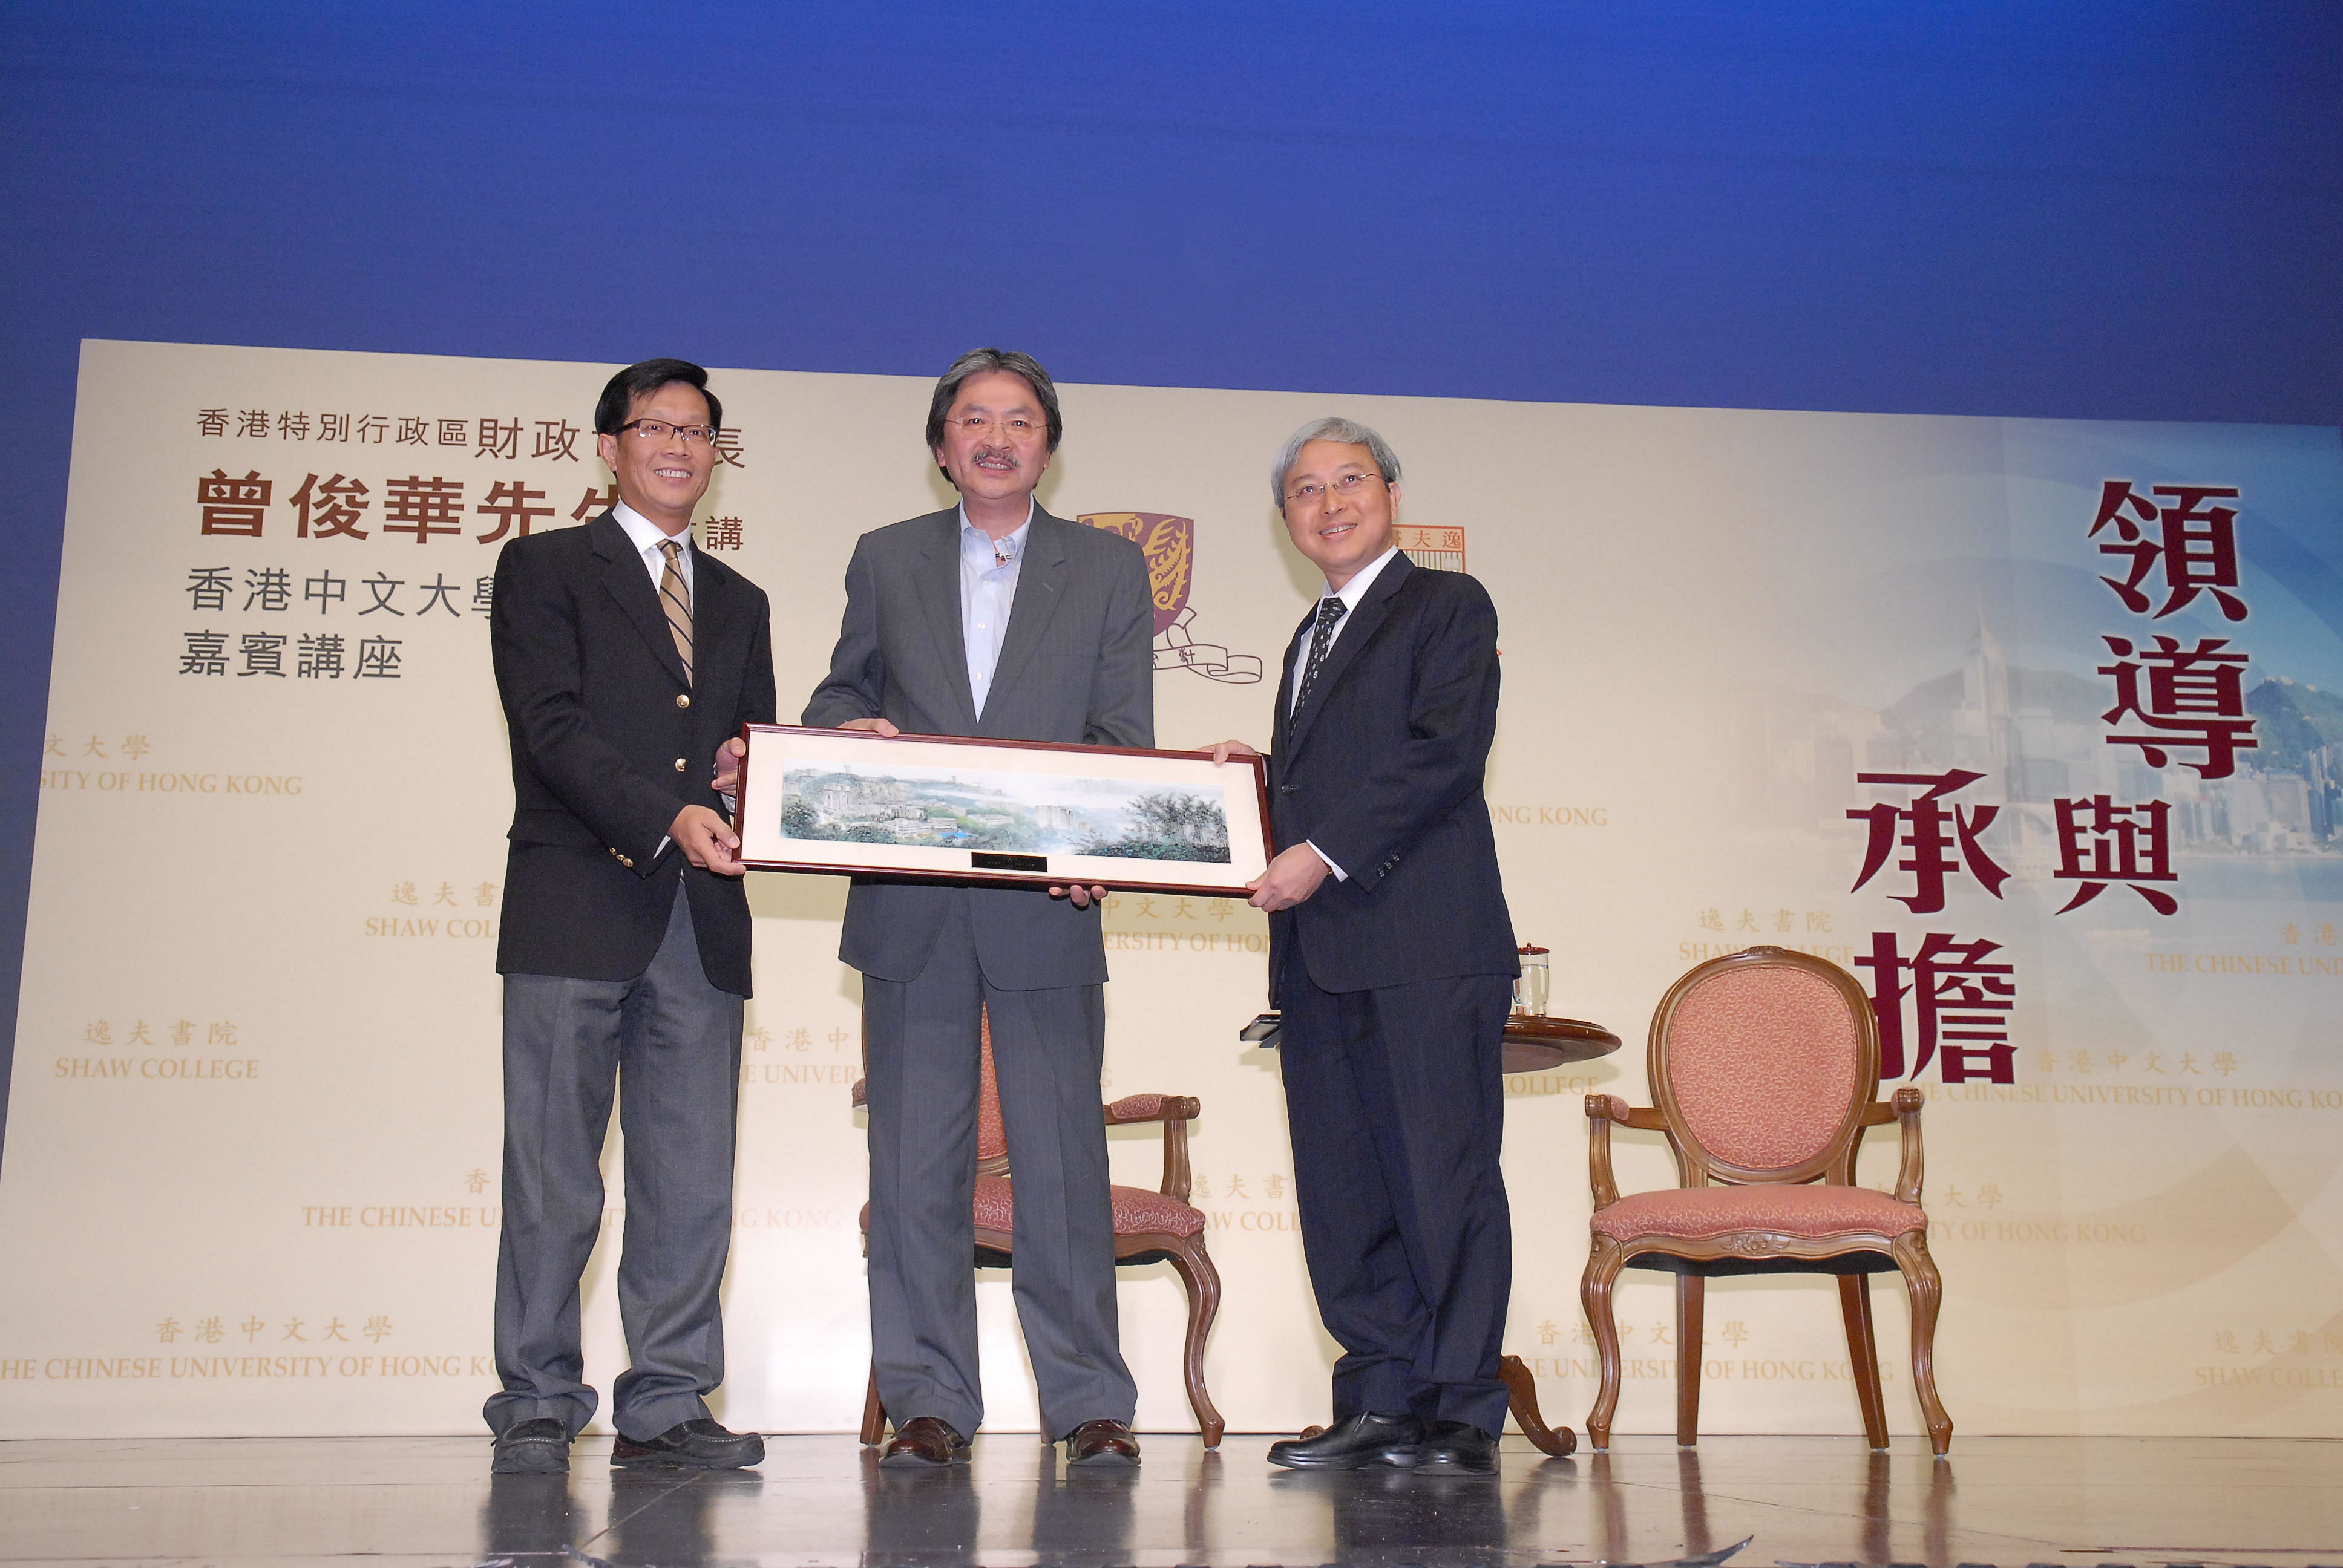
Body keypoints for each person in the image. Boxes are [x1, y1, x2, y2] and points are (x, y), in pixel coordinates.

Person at [803, 347, 1155, 1468]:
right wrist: (842, 728)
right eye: (972, 420)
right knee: (914, 1163)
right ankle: (929, 1404)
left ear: (1047, 443)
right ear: (941, 444)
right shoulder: (886, 558)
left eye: (1018, 420)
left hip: (1047, 902)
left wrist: (1099, 840)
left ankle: (1088, 1402)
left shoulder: (1105, 568)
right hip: (911, 905)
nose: (995, 437)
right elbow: (841, 691)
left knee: (1062, 1164)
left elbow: (1121, 741)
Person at [483, 358, 775, 1475]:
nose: (679, 446)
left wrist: (758, 773)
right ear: (609, 447)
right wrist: (671, 816)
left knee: (692, 1178)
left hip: (702, 922)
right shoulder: (545, 567)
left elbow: (753, 742)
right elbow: (548, 728)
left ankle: (667, 1399)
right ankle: (540, 1393)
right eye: (656, 427)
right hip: (575, 905)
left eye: (700, 432)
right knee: (555, 1173)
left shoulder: (741, 601)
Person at [1210, 417, 1518, 1475]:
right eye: (1305, 489)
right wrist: (1251, 781)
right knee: (1347, 1192)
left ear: (1391, 494)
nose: (1329, 502)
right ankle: (1380, 1394)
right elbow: (1336, 773)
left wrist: (1320, 851)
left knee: (1445, 1182)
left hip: (1426, 942)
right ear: (1285, 518)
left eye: (1350, 481)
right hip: (1323, 954)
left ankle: (1462, 1409)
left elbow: (1441, 756)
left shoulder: (1445, 606)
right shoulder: (1309, 636)